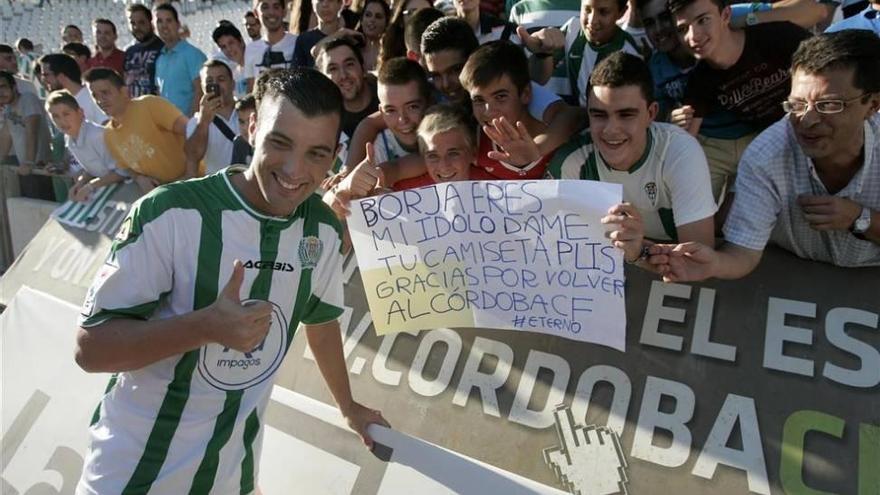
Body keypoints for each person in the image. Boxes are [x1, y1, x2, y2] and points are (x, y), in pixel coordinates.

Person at [74, 67, 387, 495]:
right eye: (280, 143)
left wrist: (348, 407)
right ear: (252, 128)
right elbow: (91, 349)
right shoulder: (170, 212)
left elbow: (321, 321)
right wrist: (205, 326)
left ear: (334, 155)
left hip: (232, 479)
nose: (295, 170)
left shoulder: (322, 230)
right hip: (132, 477)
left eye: (316, 153)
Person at [651, 30, 880, 281]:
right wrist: (714, 264)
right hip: (799, 285)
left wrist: (862, 219)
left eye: (829, 105)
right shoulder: (764, 158)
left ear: (872, 105)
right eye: (797, 105)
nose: (808, 120)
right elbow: (742, 251)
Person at [548, 53, 716, 267]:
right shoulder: (571, 161)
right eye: (599, 115)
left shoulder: (678, 152)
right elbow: (553, 248)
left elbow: (699, 260)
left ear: (651, 113)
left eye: (626, 115)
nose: (611, 129)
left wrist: (639, 251)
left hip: (669, 281)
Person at [668, 0, 810, 202]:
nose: (693, 36)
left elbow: (830, 70)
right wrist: (675, 126)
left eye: (703, 20)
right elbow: (686, 138)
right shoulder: (700, 80)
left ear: (725, 16)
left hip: (815, 129)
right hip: (774, 148)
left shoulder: (779, 36)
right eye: (683, 29)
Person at [84, 68, 188, 193]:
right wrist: (139, 178)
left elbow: (194, 132)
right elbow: (126, 166)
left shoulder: (149, 105)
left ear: (124, 91)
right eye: (95, 96)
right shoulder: (109, 134)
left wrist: (190, 174)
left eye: (105, 93)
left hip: (194, 184)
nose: (100, 100)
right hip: (164, 196)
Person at [530, 0, 641, 105]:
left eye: (603, 12)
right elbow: (539, 78)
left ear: (621, 12)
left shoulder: (630, 52)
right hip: (576, 118)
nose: (592, 21)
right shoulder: (573, 28)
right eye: (587, 10)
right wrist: (542, 53)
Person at [44, 90, 126, 202]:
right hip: (108, 191)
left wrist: (90, 186)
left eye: (66, 114)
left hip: (127, 190)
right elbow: (94, 168)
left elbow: (123, 172)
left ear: (80, 113)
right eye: (55, 116)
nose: (62, 121)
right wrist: (80, 184)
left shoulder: (96, 136)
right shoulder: (69, 138)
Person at [0, 71, 54, 200]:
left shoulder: (28, 99)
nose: (0, 93)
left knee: (42, 204)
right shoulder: (8, 108)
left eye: (3, 87)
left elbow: (32, 131)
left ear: (14, 87)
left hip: (39, 166)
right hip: (24, 168)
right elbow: (6, 136)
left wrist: (29, 162)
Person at [314, 38, 380, 139]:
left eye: (349, 64)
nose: (343, 76)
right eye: (333, 69)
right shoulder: (323, 117)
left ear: (363, 68)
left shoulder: (386, 90)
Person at [185, 60, 240, 176]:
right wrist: (203, 122)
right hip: (218, 187)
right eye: (209, 81)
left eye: (221, 79)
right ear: (202, 86)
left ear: (233, 84)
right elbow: (193, 158)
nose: (216, 85)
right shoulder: (195, 122)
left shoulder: (248, 112)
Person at [153, 3, 208, 116]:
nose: (164, 26)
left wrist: (190, 125)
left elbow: (200, 91)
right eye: (159, 21)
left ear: (178, 24)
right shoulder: (160, 59)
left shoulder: (193, 54)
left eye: (169, 21)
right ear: (154, 27)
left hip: (188, 127)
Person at [37, 53, 107, 124]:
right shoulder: (63, 102)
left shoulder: (92, 97)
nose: (43, 80)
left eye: (46, 75)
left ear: (61, 76)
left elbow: (107, 126)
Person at [244, 0, 298, 91]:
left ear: (284, 12)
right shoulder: (250, 49)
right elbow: (251, 90)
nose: (271, 12)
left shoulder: (297, 43)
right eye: (265, 7)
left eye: (276, 7)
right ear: (256, 13)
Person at [124, 4, 165, 98]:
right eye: (132, 23)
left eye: (141, 22)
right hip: (133, 108)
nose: (136, 27)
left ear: (151, 22)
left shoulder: (163, 48)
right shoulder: (129, 52)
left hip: (156, 107)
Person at [212, 23, 249, 97]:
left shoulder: (258, 65)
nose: (229, 49)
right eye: (223, 47)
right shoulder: (233, 75)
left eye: (231, 43)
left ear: (241, 41)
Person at [357, 0, 390, 71]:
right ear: (361, 20)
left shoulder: (391, 51)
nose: (372, 20)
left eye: (378, 16)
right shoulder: (351, 47)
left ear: (386, 23)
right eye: (368, 15)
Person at [230, 93, 256, 165]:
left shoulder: (274, 146)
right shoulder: (239, 143)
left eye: (251, 121)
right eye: (241, 122)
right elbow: (234, 175)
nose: (245, 128)